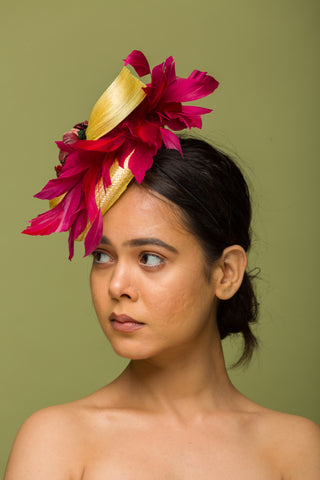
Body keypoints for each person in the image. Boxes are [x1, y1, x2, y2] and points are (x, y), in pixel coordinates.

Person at [5, 51, 320, 479]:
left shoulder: (295, 449)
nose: (118, 285)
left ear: (225, 272)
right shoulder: (57, 441)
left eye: (150, 258)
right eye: (102, 255)